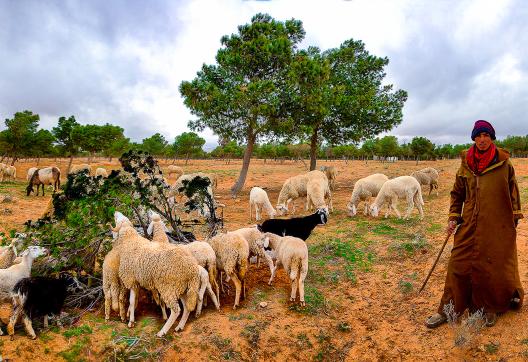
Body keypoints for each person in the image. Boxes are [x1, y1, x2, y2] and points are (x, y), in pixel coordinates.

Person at [426, 120, 524, 328]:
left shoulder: (504, 164)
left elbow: (513, 193)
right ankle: (448, 310)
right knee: (458, 263)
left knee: (493, 265)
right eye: (478, 136)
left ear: (492, 138)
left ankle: (490, 308)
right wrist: (453, 216)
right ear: (473, 138)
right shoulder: (466, 164)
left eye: (486, 135)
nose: (482, 140)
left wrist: (512, 221)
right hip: (469, 222)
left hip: (497, 224)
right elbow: (457, 193)